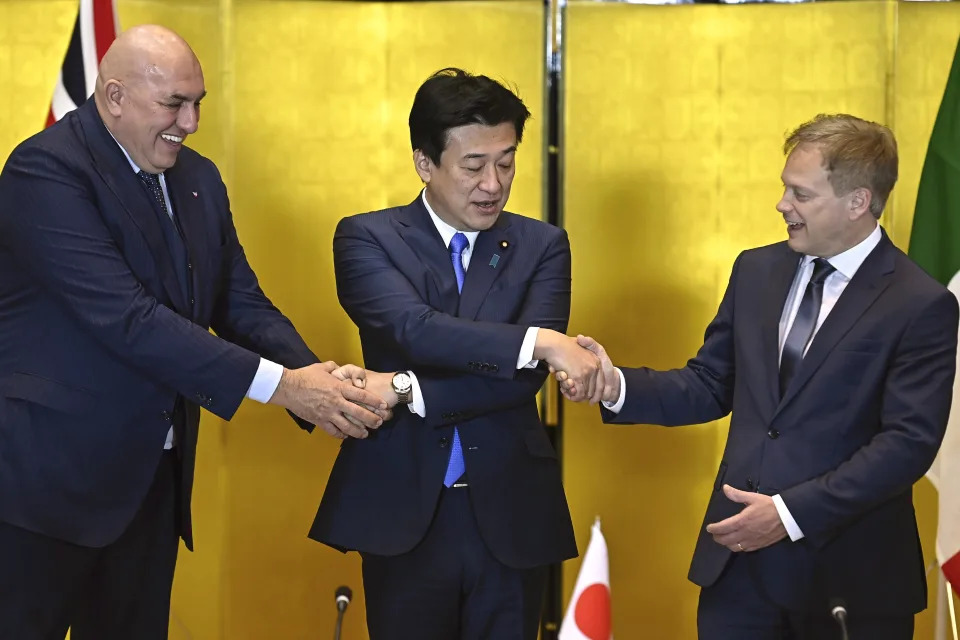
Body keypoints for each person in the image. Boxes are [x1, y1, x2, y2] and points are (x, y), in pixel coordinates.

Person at [0, 24, 387, 640]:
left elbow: (238, 301)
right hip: (45, 490)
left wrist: (319, 377)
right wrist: (285, 388)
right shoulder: (44, 172)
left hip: (151, 484)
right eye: (174, 103)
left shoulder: (197, 177)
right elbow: (130, 319)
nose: (192, 120)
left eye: (199, 100)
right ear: (115, 96)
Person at [563, 114, 959, 639]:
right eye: (784, 189)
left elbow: (907, 444)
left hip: (849, 583)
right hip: (738, 576)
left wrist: (789, 513)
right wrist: (617, 386)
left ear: (858, 201)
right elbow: (709, 383)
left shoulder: (919, 303)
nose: (782, 205)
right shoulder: (756, 270)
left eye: (800, 194)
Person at [309, 68, 603, 640]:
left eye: (507, 161)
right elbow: (414, 328)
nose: (493, 183)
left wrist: (401, 389)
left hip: (511, 509)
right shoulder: (368, 238)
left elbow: (523, 382)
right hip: (404, 508)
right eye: (474, 166)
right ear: (425, 162)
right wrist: (536, 341)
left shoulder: (543, 245)